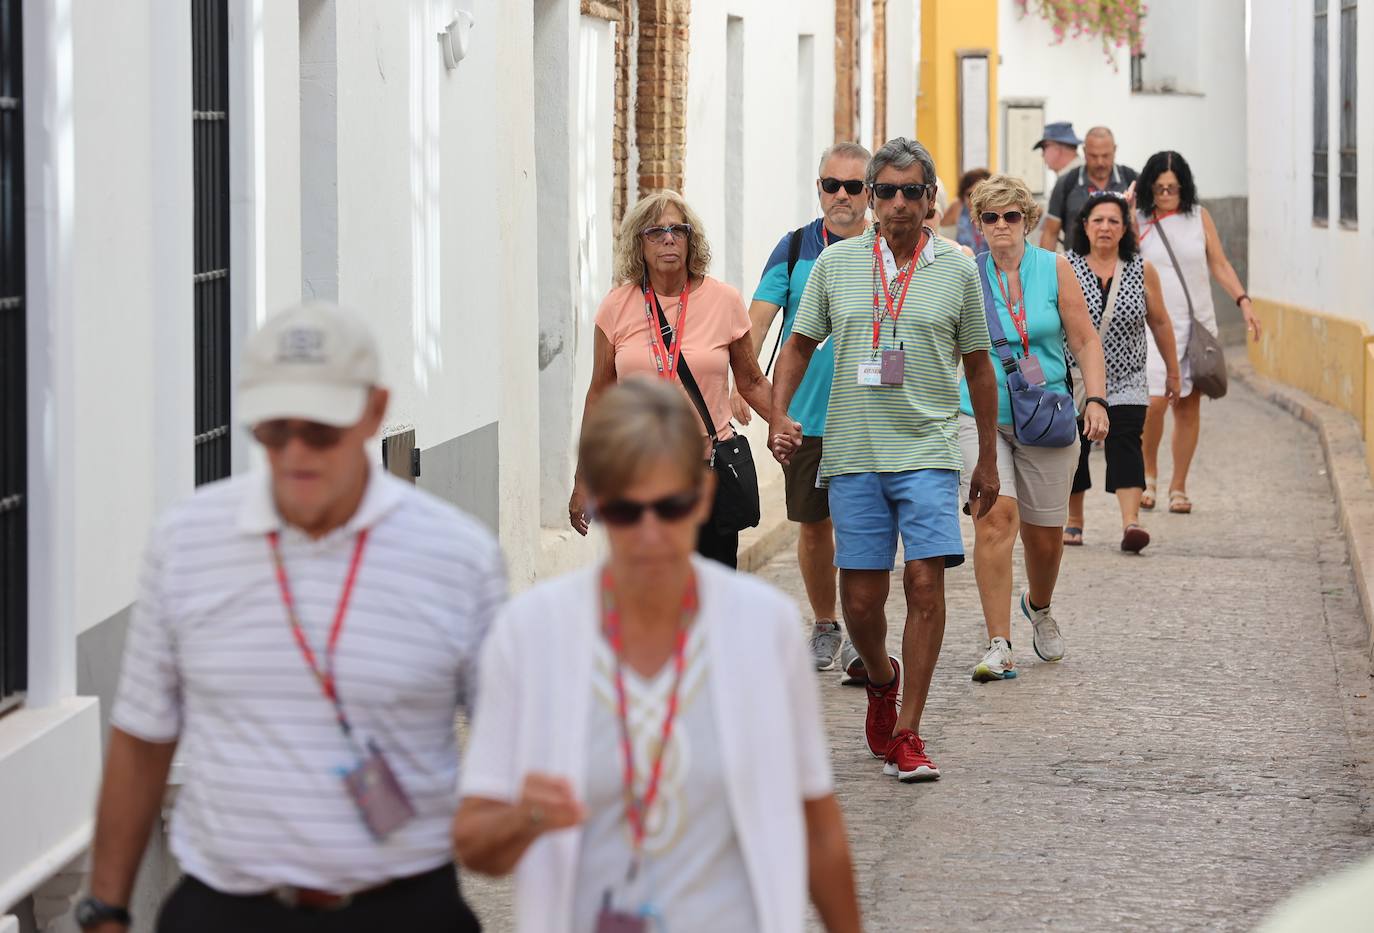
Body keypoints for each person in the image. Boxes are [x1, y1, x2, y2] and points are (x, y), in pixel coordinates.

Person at [77, 303, 503, 933]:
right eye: (276, 429)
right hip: (225, 912)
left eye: (322, 430)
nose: (297, 451)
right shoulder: (186, 543)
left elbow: (515, 746)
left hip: (401, 910)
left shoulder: (459, 557)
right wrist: (105, 911)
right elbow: (143, 739)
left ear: (374, 411)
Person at [454, 379, 861, 933]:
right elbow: (476, 842)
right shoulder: (531, 635)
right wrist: (526, 816)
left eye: (668, 507)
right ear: (596, 501)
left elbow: (817, 826)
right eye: (624, 510)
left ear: (701, 496)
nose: (648, 533)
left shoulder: (762, 629)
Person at [769, 137, 1002, 782]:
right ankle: (880, 678)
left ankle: (908, 732)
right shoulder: (835, 265)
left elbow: (980, 368)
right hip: (851, 453)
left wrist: (986, 457)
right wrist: (781, 414)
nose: (899, 204)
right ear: (871, 200)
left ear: (932, 201)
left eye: (913, 193)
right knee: (863, 602)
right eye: (887, 192)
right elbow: (799, 345)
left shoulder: (957, 268)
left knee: (926, 583)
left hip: (927, 450)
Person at [957, 175, 1109, 684]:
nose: (1002, 226)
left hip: (1046, 415)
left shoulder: (1055, 268)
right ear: (979, 225)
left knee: (1045, 540)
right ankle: (999, 642)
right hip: (980, 417)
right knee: (996, 519)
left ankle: (1037, 604)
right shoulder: (964, 274)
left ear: (1028, 220)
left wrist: (1097, 399)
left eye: (1011, 216)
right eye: (991, 218)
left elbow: (1085, 340)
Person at [569, 190, 773, 568]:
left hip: (708, 474)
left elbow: (751, 381)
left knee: (711, 596)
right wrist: (583, 480)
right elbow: (599, 395)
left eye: (678, 230)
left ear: (690, 240)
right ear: (639, 244)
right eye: (655, 232)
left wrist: (786, 427)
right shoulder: (616, 306)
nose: (668, 239)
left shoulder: (723, 301)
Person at [729, 142, 870, 673]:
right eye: (831, 185)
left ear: (869, 192)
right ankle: (826, 623)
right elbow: (754, 327)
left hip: (870, 417)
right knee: (814, 527)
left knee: (862, 525)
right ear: (819, 189)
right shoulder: (793, 249)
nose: (841, 196)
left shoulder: (884, 250)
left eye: (853, 187)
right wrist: (758, 400)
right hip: (805, 419)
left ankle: (863, 632)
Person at [1135, 150, 1262, 514]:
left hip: (1195, 325)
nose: (1165, 195)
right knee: (1154, 403)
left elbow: (1219, 264)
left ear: (1184, 187)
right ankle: (1149, 473)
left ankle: (1179, 486)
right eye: (1159, 188)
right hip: (1152, 327)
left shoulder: (1198, 217)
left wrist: (1243, 301)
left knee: (1188, 407)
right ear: (1149, 187)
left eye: (1173, 188)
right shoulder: (1138, 219)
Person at [1064, 191, 1182, 552]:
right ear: (1084, 226)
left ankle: (1131, 523)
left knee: (1127, 443)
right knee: (1073, 448)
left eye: (1113, 221)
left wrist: (1173, 372)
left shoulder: (1140, 268)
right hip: (1076, 377)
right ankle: (1074, 520)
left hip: (1127, 376)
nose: (1105, 227)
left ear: (1124, 228)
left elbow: (1160, 322)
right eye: (1097, 220)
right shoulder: (1064, 266)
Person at [1040, 126, 1138, 252]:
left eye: (1105, 155)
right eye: (1093, 156)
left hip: (1123, 268)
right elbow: (1050, 233)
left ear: (1114, 150)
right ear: (1084, 151)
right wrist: (1043, 270)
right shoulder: (1066, 183)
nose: (1100, 162)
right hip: (1074, 269)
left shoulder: (1131, 180)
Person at [941, 167, 991, 253]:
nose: (975, 199)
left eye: (980, 193)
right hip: (963, 264)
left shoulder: (997, 212)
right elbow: (938, 230)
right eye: (970, 194)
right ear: (962, 195)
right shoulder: (958, 207)